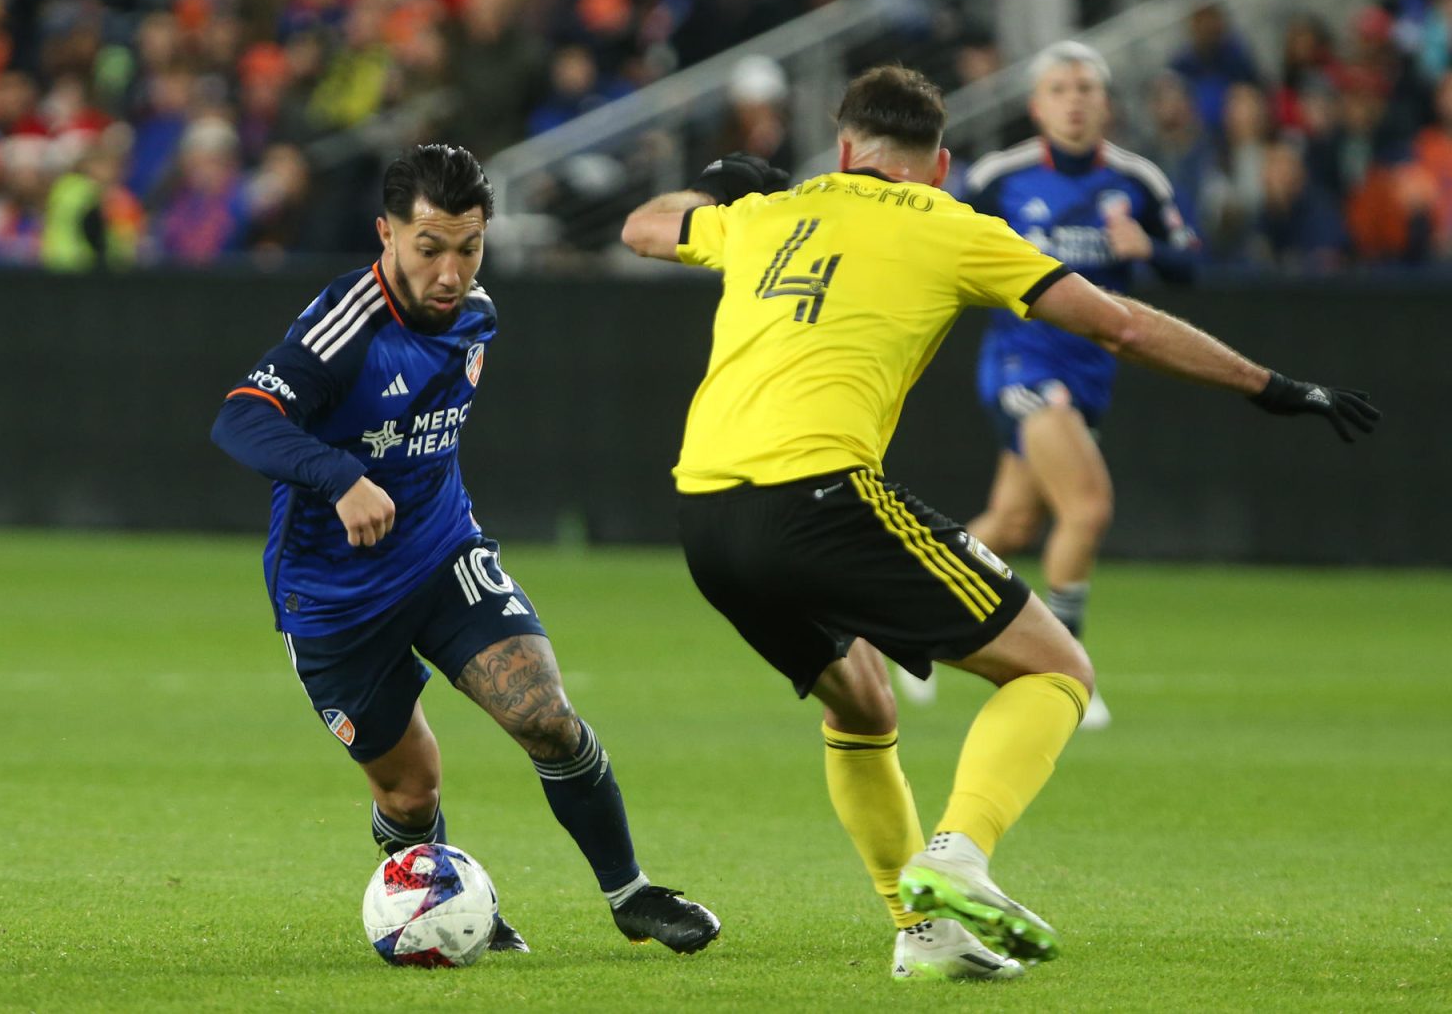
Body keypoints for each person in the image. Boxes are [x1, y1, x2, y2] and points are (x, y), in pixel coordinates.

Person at [619, 66, 1377, 982]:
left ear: (846, 148)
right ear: (938, 166)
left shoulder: (764, 216)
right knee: (1057, 668)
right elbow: (1122, 326)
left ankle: (924, 930)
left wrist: (719, 183)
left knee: (862, 702)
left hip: (705, 518)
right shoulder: (953, 226)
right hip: (817, 495)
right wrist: (1272, 386)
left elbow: (644, 226)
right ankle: (956, 856)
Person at [211, 143, 720, 957]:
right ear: (385, 235)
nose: (451, 272)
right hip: (333, 597)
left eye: (469, 246)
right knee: (411, 792)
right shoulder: (347, 324)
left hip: (443, 554)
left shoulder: (477, 313)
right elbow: (239, 416)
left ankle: (630, 893)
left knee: (545, 716)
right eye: (429, 247)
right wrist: (340, 476)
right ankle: (443, 896)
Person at [925, 42, 1201, 727]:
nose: (1074, 100)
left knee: (1014, 520)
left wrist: (1150, 250)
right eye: (1060, 88)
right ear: (1036, 105)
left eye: (1086, 87)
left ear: (1106, 102)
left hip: (1090, 373)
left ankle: (896, 615)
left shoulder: (1138, 181)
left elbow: (1188, 265)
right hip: (1023, 366)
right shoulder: (1000, 176)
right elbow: (936, 241)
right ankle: (1069, 669)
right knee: (1087, 507)